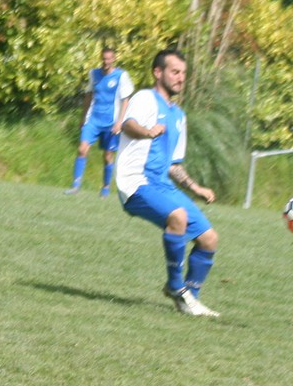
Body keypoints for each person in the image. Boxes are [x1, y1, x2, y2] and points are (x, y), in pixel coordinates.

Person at [114, 48, 220, 317]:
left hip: (163, 185)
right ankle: (175, 286)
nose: (181, 78)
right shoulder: (145, 98)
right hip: (136, 182)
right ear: (157, 72)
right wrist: (147, 132)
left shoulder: (179, 115)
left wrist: (196, 188)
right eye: (175, 72)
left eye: (183, 73)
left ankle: (189, 299)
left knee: (209, 239)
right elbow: (128, 125)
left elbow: (173, 164)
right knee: (178, 217)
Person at [66, 45, 133, 196]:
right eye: (104, 59)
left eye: (109, 59)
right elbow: (88, 95)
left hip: (111, 122)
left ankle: (105, 188)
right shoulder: (94, 74)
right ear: (101, 58)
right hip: (93, 120)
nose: (106, 62)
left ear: (113, 59)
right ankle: (75, 185)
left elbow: (125, 100)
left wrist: (119, 122)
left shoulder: (121, 76)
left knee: (108, 156)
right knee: (82, 149)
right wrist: (83, 117)